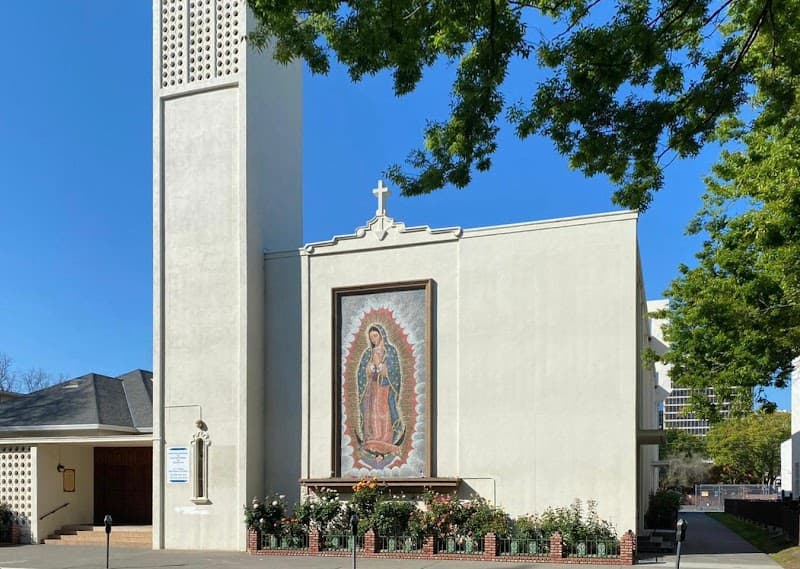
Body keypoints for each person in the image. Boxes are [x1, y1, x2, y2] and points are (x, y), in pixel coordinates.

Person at [356, 324, 405, 461]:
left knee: (383, 412)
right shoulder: (368, 353)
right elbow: (361, 372)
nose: (373, 339)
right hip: (371, 388)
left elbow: (395, 370)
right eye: (371, 337)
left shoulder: (390, 351)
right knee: (372, 413)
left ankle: (385, 439)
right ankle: (372, 439)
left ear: (382, 335)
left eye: (375, 336)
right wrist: (368, 369)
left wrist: (385, 368)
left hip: (384, 388)